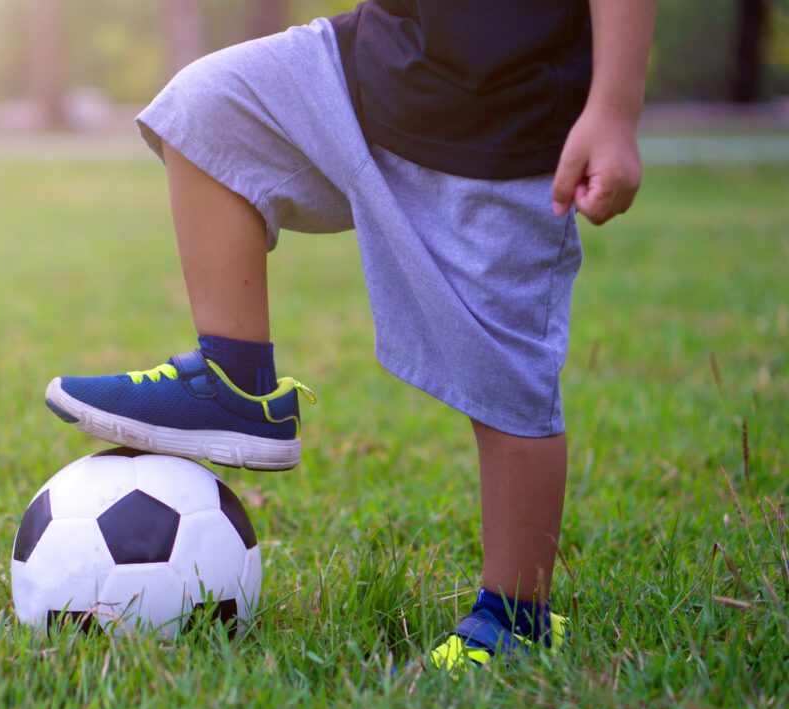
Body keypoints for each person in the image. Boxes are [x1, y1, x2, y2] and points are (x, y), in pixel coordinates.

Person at [45, 0, 656, 672]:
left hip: (504, 121)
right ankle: (234, 380)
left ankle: (517, 615)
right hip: (372, 68)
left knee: (504, 380)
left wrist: (614, 108)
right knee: (209, 107)